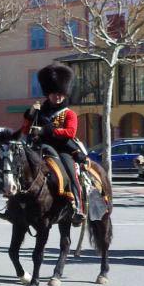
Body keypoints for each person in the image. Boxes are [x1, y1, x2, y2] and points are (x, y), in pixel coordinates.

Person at [19, 64, 87, 226]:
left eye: (60, 94)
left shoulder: (69, 113)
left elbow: (70, 133)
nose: (57, 96)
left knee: (71, 174)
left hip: (62, 149)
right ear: (48, 93)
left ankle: (78, 207)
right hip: (40, 148)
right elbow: (25, 130)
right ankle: (13, 207)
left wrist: (45, 131)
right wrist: (30, 115)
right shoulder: (39, 111)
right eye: (54, 93)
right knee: (20, 170)